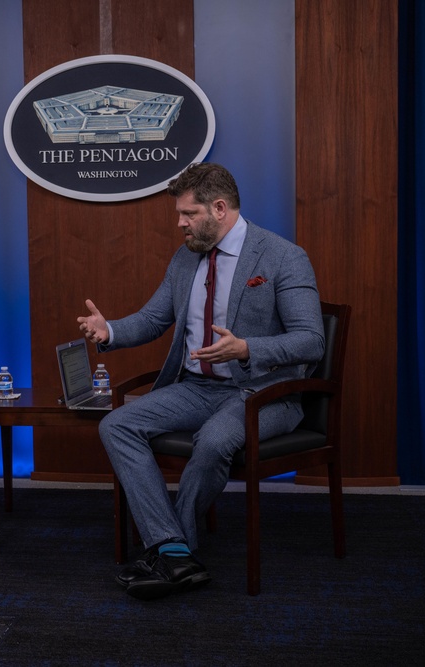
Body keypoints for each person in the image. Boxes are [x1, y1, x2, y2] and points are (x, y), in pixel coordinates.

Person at [78, 162, 324, 600]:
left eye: (188, 215)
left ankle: (174, 550)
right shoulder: (186, 256)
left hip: (263, 393)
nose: (180, 224)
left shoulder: (283, 256)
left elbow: (311, 341)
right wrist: (109, 330)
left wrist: (247, 348)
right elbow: (155, 318)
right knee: (117, 424)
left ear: (220, 207)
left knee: (213, 441)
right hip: (197, 388)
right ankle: (174, 550)